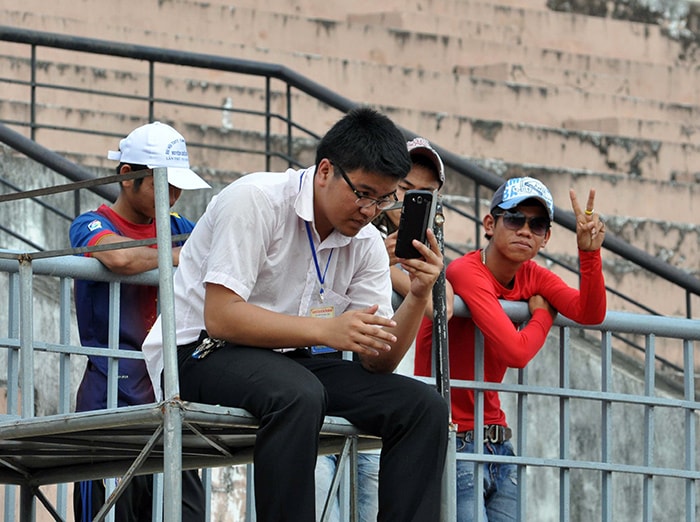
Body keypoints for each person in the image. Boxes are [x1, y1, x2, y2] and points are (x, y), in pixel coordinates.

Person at [142, 107, 450, 522]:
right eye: (362, 193)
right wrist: (327, 331)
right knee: (299, 393)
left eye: (383, 199)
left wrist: (416, 296)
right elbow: (222, 316)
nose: (369, 210)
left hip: (288, 362)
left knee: (422, 406)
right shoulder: (256, 199)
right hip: (197, 353)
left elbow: (380, 362)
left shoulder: (366, 244)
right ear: (325, 171)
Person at [415, 176, 607, 521]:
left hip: (498, 443)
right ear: (490, 223)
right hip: (452, 440)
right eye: (515, 218)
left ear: (546, 237)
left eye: (537, 224)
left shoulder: (533, 274)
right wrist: (543, 316)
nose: (525, 230)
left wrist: (589, 253)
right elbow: (515, 353)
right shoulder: (466, 271)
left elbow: (590, 314)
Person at [69, 121, 210, 522]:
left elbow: (217, 255)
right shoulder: (92, 223)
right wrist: (178, 256)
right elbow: (120, 258)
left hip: (172, 396)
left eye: (179, 186)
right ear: (127, 177)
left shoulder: (182, 225)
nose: (175, 195)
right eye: (164, 185)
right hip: (110, 399)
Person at [314, 136, 453, 521]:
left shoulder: (424, 248)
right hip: (324, 383)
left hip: (379, 394)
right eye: (405, 191)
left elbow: (447, 308)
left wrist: (423, 273)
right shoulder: (355, 233)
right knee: (322, 502)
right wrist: (387, 263)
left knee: (376, 499)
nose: (410, 202)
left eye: (425, 195)